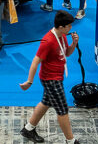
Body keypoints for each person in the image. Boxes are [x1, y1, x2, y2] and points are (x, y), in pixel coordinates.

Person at [19, 10, 80, 144]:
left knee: (46, 102)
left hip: (57, 76)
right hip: (51, 80)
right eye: (69, 26)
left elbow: (66, 53)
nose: (71, 28)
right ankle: (71, 141)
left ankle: (28, 129)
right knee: (62, 110)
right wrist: (29, 81)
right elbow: (35, 61)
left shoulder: (62, 36)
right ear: (61, 27)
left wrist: (74, 43)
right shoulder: (48, 41)